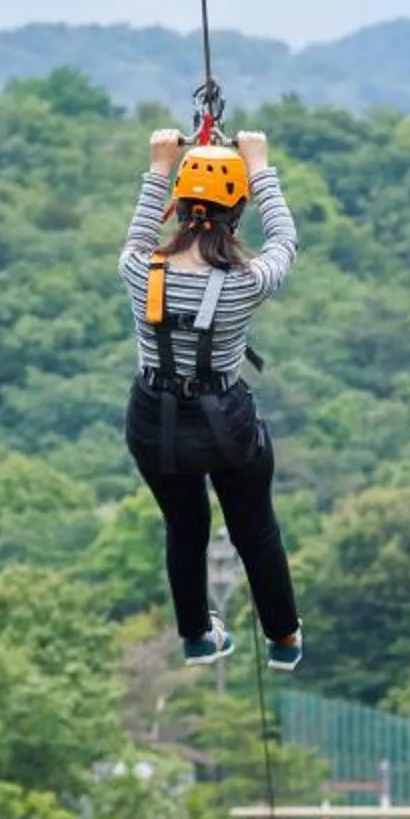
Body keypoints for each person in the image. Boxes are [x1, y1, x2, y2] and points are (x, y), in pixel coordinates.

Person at [121, 125, 304, 667]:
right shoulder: (247, 281)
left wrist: (160, 166)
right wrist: (259, 163)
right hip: (226, 423)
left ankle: (198, 635)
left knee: (185, 527)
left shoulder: (138, 269)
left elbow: (139, 231)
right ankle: (283, 639)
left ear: (179, 208)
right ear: (237, 210)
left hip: (155, 422)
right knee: (255, 529)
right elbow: (285, 240)